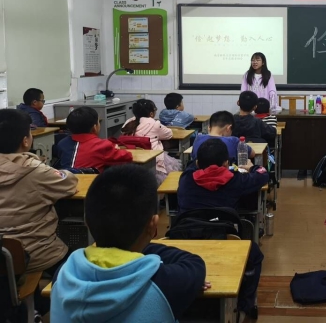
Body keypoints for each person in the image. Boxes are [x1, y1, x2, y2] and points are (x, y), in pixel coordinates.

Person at [51, 165, 208, 322]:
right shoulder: (165, 282)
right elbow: (194, 264)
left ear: (86, 221)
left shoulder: (63, 275)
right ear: (153, 226)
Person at [0, 109, 78, 316]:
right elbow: (69, 183)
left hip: (4, 254)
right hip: (34, 253)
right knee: (77, 262)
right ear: (26, 141)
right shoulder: (35, 171)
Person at [177, 138, 265, 320]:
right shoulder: (235, 180)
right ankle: (245, 305)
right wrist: (252, 167)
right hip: (223, 238)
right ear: (226, 164)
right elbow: (262, 175)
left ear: (198, 163)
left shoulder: (185, 179)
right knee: (254, 254)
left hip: (185, 239)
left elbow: (191, 168)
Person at [56, 106, 133, 173]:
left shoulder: (62, 144)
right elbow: (127, 157)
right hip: (90, 183)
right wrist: (115, 149)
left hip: (64, 182)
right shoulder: (102, 145)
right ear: (94, 127)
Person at [122, 99, 181, 185]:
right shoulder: (154, 124)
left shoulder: (128, 123)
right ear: (151, 114)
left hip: (131, 161)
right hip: (152, 161)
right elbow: (169, 134)